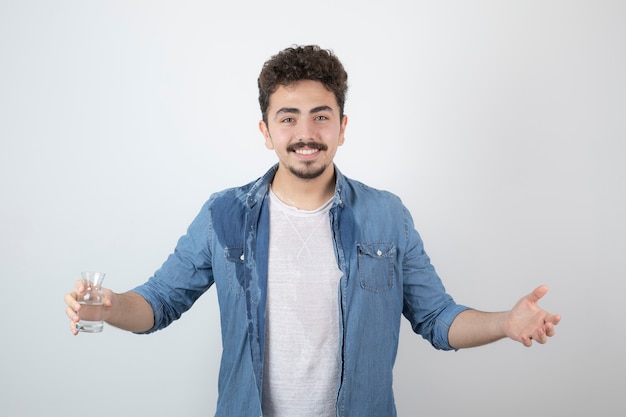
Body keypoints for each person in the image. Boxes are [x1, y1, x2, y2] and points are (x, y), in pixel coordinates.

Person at [64, 44, 561, 417]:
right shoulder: (223, 215)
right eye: (288, 118)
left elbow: (437, 317)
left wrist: (504, 323)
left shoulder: (387, 215)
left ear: (342, 127)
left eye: (321, 117)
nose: (306, 134)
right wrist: (108, 306)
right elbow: (158, 303)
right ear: (266, 131)